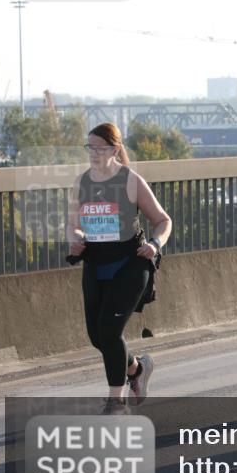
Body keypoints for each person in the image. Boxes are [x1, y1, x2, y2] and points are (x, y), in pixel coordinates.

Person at [67, 123, 172, 415]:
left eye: (100, 148)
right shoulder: (81, 183)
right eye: (90, 147)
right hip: (95, 263)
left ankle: (117, 400)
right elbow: (72, 224)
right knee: (97, 336)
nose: (94, 153)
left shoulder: (131, 180)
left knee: (110, 331)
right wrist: (73, 240)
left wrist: (154, 243)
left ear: (114, 150)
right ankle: (137, 370)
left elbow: (164, 221)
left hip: (131, 262)